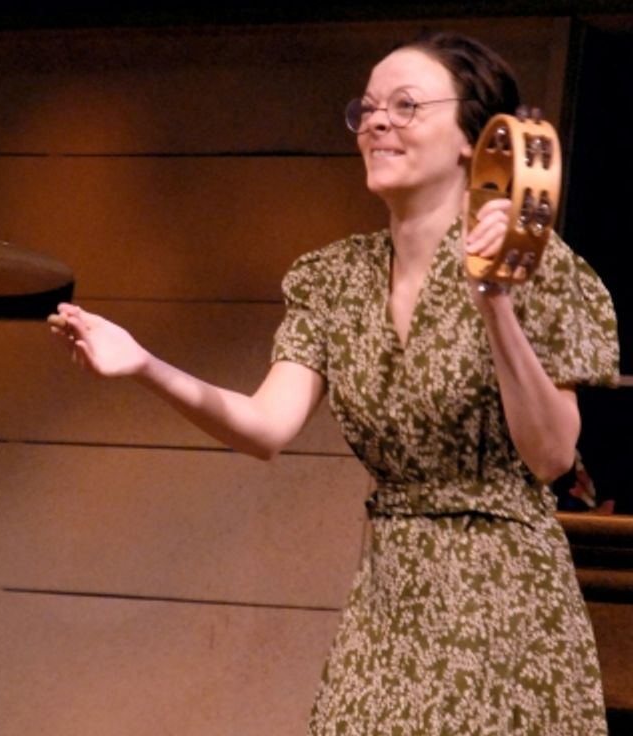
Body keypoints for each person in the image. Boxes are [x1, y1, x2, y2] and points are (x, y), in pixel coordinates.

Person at [50, 31, 619, 734]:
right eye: (369, 108)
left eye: (407, 106)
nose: (378, 122)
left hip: (506, 590)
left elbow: (551, 457)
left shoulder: (536, 262)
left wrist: (494, 299)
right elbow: (266, 428)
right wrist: (144, 365)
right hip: (391, 592)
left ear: (476, 137)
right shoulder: (333, 278)